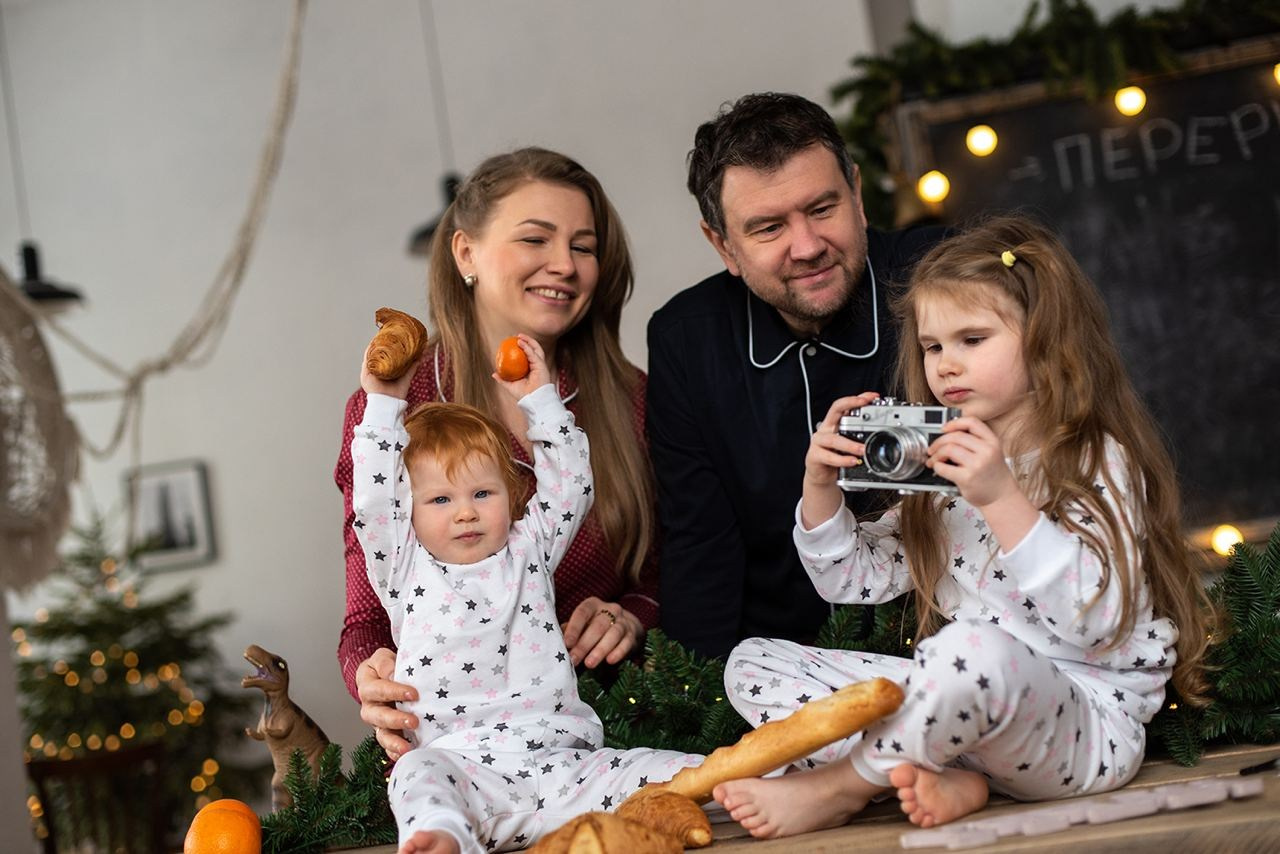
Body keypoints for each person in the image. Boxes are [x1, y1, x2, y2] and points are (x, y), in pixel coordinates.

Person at [711, 215, 1212, 837]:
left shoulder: (1092, 457)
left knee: (968, 652)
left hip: (1085, 723)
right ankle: (954, 773)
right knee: (754, 664)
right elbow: (853, 582)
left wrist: (1001, 496)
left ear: (1045, 340)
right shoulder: (943, 465)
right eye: (932, 346)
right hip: (968, 710)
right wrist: (820, 488)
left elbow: (1096, 620)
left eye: (972, 339)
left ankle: (844, 786)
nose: (946, 365)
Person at [336, 148, 662, 759]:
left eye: (584, 246)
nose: (564, 265)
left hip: (611, 722)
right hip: (457, 743)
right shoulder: (391, 409)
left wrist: (633, 614)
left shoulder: (632, 400)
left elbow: (668, 572)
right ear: (465, 253)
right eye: (536, 239)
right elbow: (367, 610)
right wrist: (371, 674)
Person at [352, 333, 701, 854]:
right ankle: (443, 838)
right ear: (410, 512)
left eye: (483, 493)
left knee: (674, 770)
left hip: (566, 768)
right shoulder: (402, 565)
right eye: (441, 498)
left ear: (511, 495)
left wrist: (540, 399)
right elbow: (374, 502)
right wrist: (382, 402)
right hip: (465, 773)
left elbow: (572, 486)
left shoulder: (529, 547)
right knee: (415, 773)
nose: (465, 512)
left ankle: (743, 782)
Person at [648, 92, 945, 660]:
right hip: (789, 665)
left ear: (857, 195)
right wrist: (695, 708)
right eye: (767, 228)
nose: (807, 247)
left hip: (960, 643)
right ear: (722, 245)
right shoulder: (686, 339)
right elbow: (700, 542)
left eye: (822, 208)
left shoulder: (941, 275)